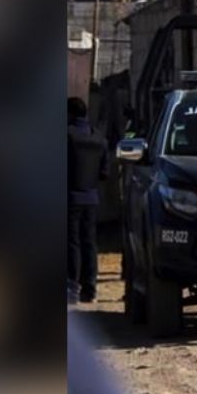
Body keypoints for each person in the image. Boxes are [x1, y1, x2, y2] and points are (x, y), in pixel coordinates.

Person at [68, 96, 108, 304]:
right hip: (91, 198)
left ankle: (71, 287)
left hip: (70, 197)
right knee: (89, 242)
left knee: (71, 242)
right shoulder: (99, 138)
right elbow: (104, 173)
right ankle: (90, 288)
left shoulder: (67, 135)